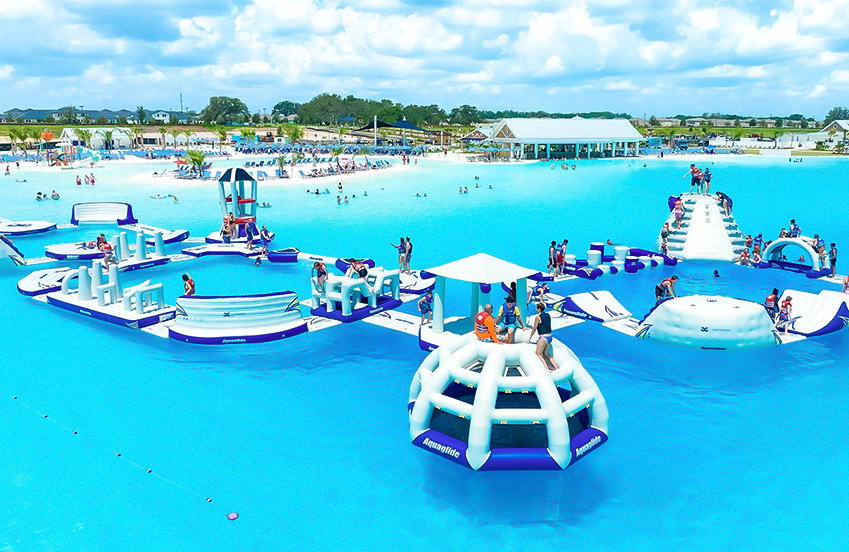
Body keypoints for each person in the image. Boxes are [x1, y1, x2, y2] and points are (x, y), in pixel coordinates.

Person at [528, 302, 558, 372]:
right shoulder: (548, 315)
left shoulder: (537, 317)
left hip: (543, 338)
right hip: (550, 336)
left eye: (536, 308)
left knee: (538, 354)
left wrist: (529, 338)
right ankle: (555, 367)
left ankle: (547, 369)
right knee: (546, 353)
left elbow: (534, 328)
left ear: (538, 309)